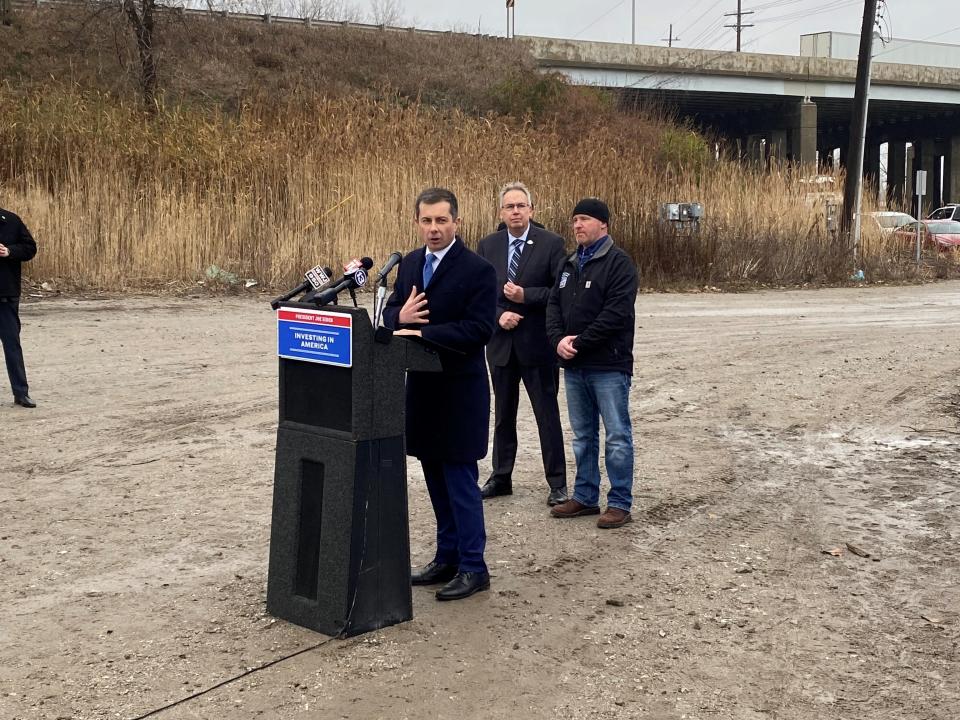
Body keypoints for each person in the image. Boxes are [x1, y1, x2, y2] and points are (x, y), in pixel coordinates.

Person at [383, 187, 497, 601]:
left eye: (442, 220)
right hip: (423, 389)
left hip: (460, 391)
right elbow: (390, 312)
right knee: (433, 475)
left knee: (460, 481)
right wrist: (401, 315)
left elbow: (480, 329)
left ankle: (473, 566)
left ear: (457, 223)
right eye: (427, 221)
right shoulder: (411, 263)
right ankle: (446, 556)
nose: (434, 228)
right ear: (418, 222)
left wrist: (423, 331)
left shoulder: (478, 270)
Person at [545, 198, 638, 529]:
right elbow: (553, 305)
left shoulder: (619, 263)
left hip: (608, 366)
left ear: (603, 224)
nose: (577, 225)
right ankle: (584, 497)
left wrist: (579, 343)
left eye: (584, 219)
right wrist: (558, 340)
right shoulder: (569, 263)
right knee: (583, 436)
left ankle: (619, 503)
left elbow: (616, 314)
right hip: (574, 366)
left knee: (616, 435)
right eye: (574, 220)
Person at [477, 182, 568, 506]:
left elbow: (560, 292)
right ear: (501, 212)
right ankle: (501, 477)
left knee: (547, 414)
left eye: (520, 206)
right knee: (502, 415)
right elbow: (479, 293)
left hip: (537, 345)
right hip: (501, 345)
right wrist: (499, 315)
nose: (515, 211)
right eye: (509, 207)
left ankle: (557, 483)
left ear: (531, 210)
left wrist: (525, 296)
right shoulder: (488, 245)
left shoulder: (551, 244)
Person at [0, 207, 38, 408]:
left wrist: (9, 251)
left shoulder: (12, 221)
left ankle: (21, 393)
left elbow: (30, 248)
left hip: (5, 295)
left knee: (12, 346)